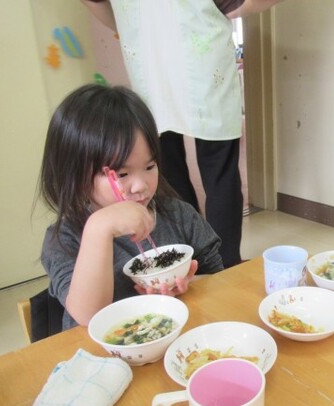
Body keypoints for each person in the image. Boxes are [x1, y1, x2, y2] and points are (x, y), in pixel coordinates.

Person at [81, 0, 285, 268]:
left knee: (165, 169)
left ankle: (188, 260)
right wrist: (227, 9)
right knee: (219, 172)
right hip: (203, 51)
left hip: (149, 57)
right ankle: (221, 265)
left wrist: (128, 23)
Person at [38, 84, 224, 331]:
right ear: (76, 175)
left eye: (149, 167)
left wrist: (188, 285)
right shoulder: (64, 238)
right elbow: (88, 316)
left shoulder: (180, 216)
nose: (140, 186)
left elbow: (220, 279)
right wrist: (98, 228)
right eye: (122, 174)